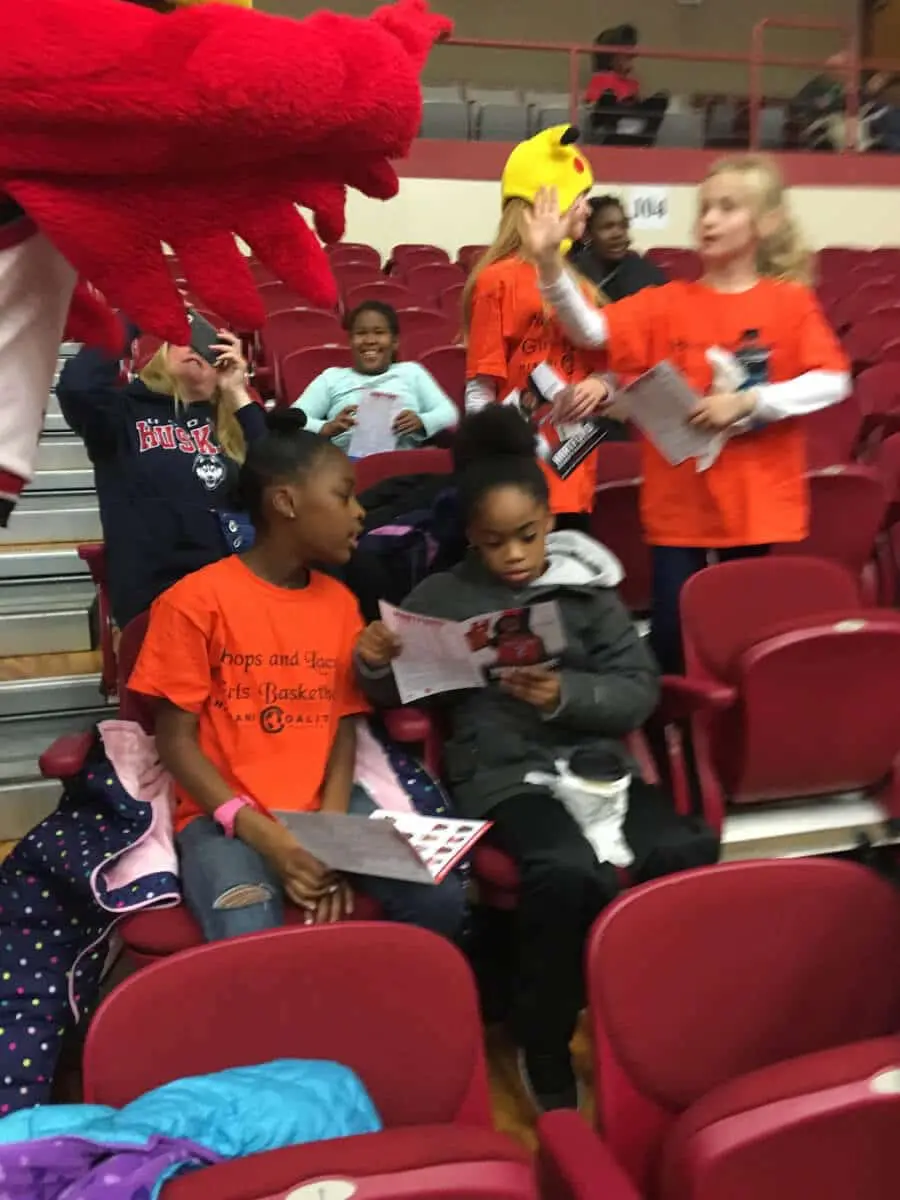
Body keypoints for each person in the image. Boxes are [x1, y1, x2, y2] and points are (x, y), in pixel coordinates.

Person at [355, 407, 662, 1113]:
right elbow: (392, 691)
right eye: (494, 543)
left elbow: (638, 688)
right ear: (470, 536)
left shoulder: (586, 588)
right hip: (501, 774)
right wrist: (374, 660)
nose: (515, 556)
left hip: (593, 762)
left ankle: (645, 1016)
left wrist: (566, 694)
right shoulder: (440, 595)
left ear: (550, 523)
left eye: (527, 537)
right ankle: (543, 1037)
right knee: (560, 870)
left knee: (681, 847)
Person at [129, 409, 465, 943]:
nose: (360, 513)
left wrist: (326, 838)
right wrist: (275, 842)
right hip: (227, 818)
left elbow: (344, 727)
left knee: (443, 900)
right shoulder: (194, 601)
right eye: (344, 495)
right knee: (248, 928)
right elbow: (175, 743)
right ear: (285, 502)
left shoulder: (339, 603)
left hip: (328, 805)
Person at [522, 154, 851, 672]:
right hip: (680, 506)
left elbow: (833, 380)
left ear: (766, 223)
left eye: (727, 207)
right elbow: (591, 331)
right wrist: (547, 265)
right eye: (704, 208)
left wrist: (749, 401)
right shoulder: (666, 301)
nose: (709, 220)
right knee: (674, 642)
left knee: (744, 640)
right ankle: (670, 732)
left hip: (754, 506)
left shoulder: (789, 303)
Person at [57, 318, 266, 629]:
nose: (197, 350)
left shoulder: (234, 429)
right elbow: (77, 385)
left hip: (234, 588)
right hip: (156, 594)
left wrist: (236, 391)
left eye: (212, 352)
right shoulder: (122, 413)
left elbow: (280, 478)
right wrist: (133, 317)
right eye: (185, 339)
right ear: (161, 355)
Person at [464, 124, 610, 534]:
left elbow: (610, 370)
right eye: (580, 196)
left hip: (575, 469)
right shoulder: (498, 280)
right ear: (548, 200)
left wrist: (601, 387)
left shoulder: (580, 286)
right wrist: (491, 465)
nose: (586, 209)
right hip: (520, 478)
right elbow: (481, 390)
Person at [293, 300, 458, 452]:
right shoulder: (332, 378)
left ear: (395, 342)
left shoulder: (412, 372)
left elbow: (450, 413)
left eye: (379, 332)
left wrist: (422, 421)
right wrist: (325, 427)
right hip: (348, 467)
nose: (370, 340)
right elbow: (292, 418)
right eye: (361, 333)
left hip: (404, 464)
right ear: (350, 341)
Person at [568, 195, 667, 300]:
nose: (618, 234)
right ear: (587, 234)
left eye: (623, 225)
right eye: (608, 227)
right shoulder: (573, 272)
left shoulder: (644, 272)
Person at [586, 24, 668, 148]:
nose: (631, 57)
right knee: (608, 97)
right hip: (611, 131)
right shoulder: (600, 78)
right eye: (626, 55)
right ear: (611, 57)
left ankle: (645, 140)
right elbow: (594, 106)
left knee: (660, 99)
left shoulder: (632, 82)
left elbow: (640, 106)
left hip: (634, 127)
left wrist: (634, 97)